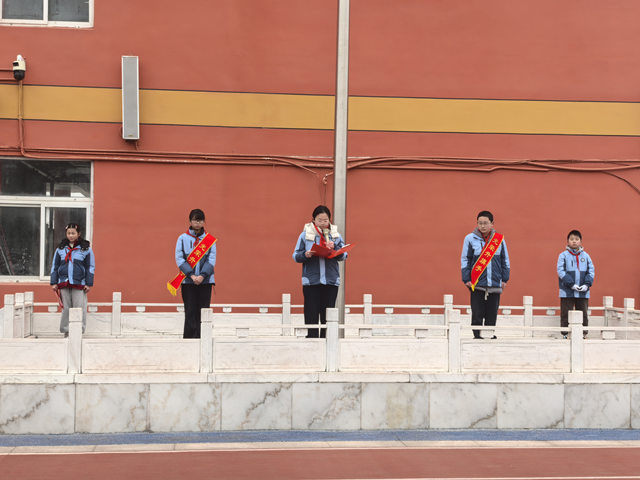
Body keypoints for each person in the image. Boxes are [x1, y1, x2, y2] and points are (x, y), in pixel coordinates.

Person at [292, 205, 347, 338]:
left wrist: (335, 251)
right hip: (312, 281)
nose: (323, 223)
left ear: (329, 220)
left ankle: (327, 340)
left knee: (327, 314)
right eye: (319, 220)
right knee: (311, 312)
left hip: (331, 281)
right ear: (313, 220)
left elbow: (344, 255)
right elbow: (295, 256)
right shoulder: (305, 235)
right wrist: (306, 254)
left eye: (325, 220)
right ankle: (312, 339)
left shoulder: (335, 235)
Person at [461, 210, 510, 339]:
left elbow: (505, 260)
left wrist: (505, 279)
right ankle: (477, 335)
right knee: (477, 311)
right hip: (476, 282)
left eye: (485, 223)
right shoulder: (470, 239)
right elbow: (465, 259)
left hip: (495, 281)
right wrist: (466, 278)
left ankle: (489, 334)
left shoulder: (499, 240)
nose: (482, 226)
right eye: (480, 223)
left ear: (492, 223)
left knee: (492, 311)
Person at [174, 209, 217, 339]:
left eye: (200, 220)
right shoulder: (182, 238)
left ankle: (203, 339)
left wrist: (202, 275)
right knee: (190, 311)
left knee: (203, 311)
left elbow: (211, 260)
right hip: (188, 281)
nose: (197, 223)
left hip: (205, 281)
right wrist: (192, 275)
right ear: (190, 221)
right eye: (195, 220)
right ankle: (189, 341)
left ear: (204, 222)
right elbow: (179, 259)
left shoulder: (210, 240)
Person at [50, 223, 95, 336]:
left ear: (79, 234)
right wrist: (54, 282)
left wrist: (88, 283)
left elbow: (90, 267)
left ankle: (78, 331)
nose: (71, 235)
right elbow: (55, 266)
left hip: (79, 283)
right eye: (69, 233)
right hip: (64, 283)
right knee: (66, 308)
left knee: (79, 308)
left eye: (73, 233)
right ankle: (66, 331)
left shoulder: (86, 249)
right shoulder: (60, 249)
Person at [557, 229, 595, 339]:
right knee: (565, 313)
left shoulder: (586, 256)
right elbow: (561, 271)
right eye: (572, 239)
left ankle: (583, 333)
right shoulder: (563, 255)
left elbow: (591, 271)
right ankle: (565, 334)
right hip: (567, 291)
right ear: (567, 241)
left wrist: (586, 285)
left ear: (581, 241)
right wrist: (571, 284)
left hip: (583, 291)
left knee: (583, 313)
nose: (574, 241)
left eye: (577, 239)